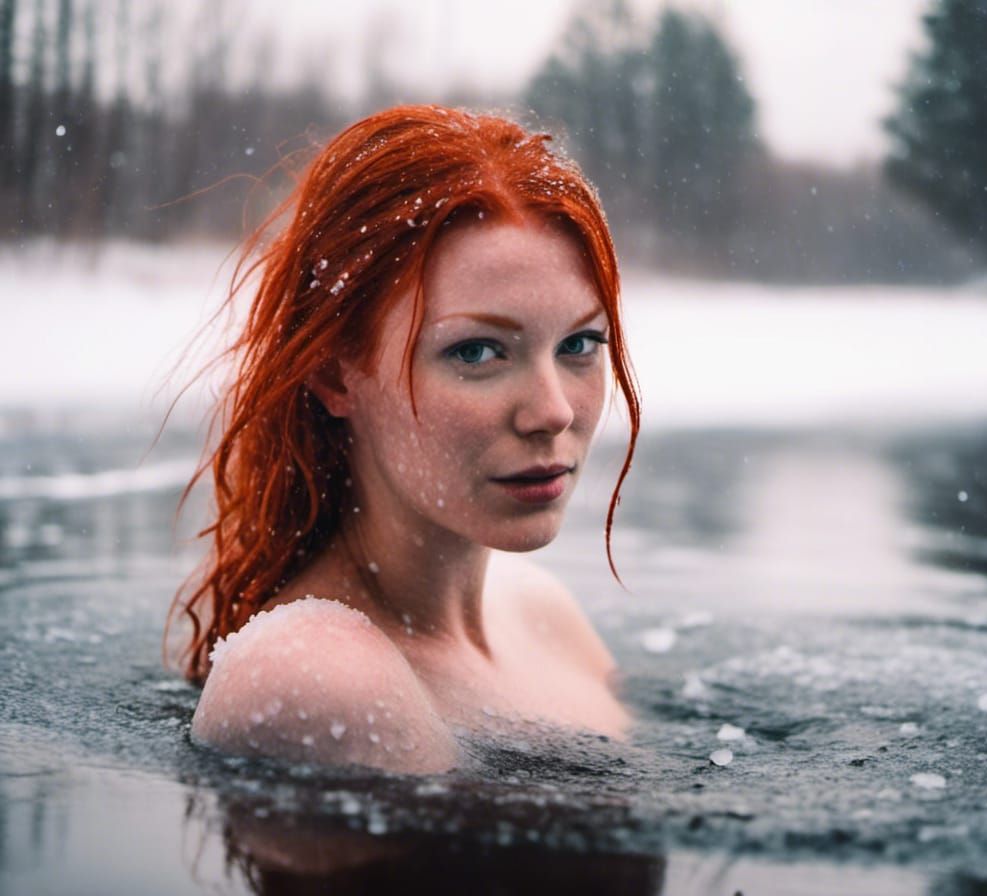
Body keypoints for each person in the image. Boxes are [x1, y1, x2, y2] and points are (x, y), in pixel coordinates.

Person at [168, 105, 641, 774]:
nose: (553, 410)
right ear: (335, 373)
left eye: (579, 344)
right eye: (477, 352)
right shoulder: (312, 678)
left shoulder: (543, 613)